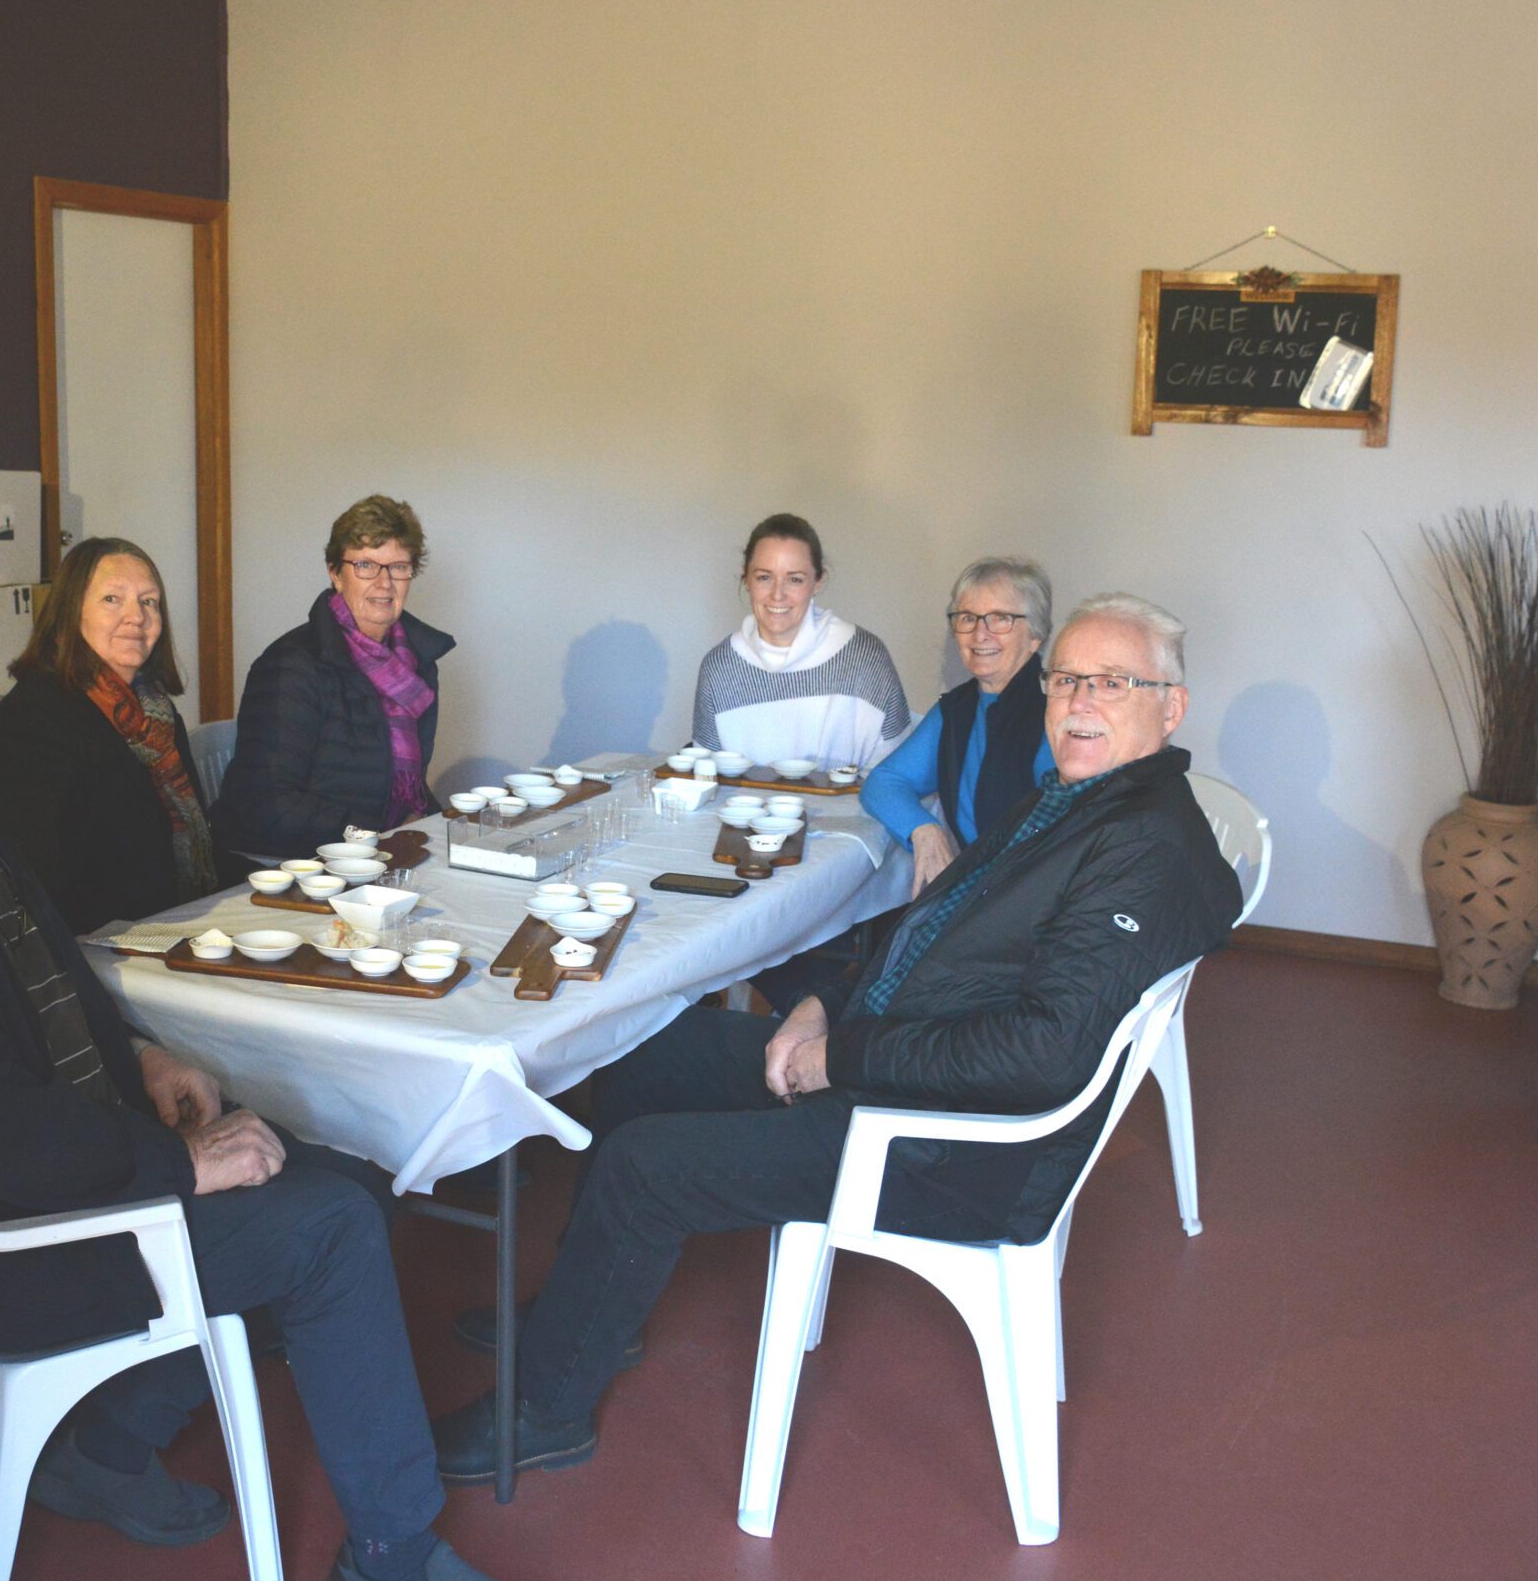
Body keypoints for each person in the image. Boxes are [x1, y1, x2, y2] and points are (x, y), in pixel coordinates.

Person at [0, 575, 496, 1581]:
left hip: (54, 1164)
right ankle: (393, 1553)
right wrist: (180, 1165)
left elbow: (54, 973)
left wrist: (142, 1053)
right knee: (331, 1225)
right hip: (1, 1239)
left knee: (351, 1175)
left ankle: (101, 1451)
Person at [432, 593, 1242, 1486]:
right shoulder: (1079, 801)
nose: (1079, 702)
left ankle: (547, 1410)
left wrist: (837, 1057)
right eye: (1065, 680)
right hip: (894, 1062)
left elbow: (1038, 1055)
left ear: (1171, 705)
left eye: (1113, 683)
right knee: (636, 1052)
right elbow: (933, 930)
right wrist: (820, 1004)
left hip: (948, 1144)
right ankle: (592, 1315)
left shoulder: (1144, 847)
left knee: (644, 1165)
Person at [0, 537, 217, 936]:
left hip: (168, 920)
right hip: (94, 940)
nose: (136, 616)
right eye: (112, 600)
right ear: (71, 613)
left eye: (149, 602)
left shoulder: (156, 713)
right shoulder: (33, 720)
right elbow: (42, 882)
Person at [211, 495, 454, 867]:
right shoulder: (291, 664)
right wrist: (379, 835)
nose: (384, 583)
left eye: (398, 566)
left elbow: (409, 784)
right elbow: (266, 802)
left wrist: (442, 828)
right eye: (366, 565)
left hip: (374, 852)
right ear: (335, 574)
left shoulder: (418, 663)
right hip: (290, 864)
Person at [862, 556, 1058, 900]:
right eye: (968, 618)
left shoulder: (1055, 712)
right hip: (976, 896)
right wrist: (923, 828)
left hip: (1028, 901)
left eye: (1000, 618)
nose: (981, 633)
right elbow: (884, 782)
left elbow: (1058, 834)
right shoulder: (957, 709)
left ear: (1036, 635)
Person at [690, 513, 909, 773]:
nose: (777, 594)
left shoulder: (864, 657)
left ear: (818, 582)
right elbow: (706, 778)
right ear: (746, 580)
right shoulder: (719, 668)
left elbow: (898, 775)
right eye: (764, 577)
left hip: (849, 813)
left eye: (795, 579)